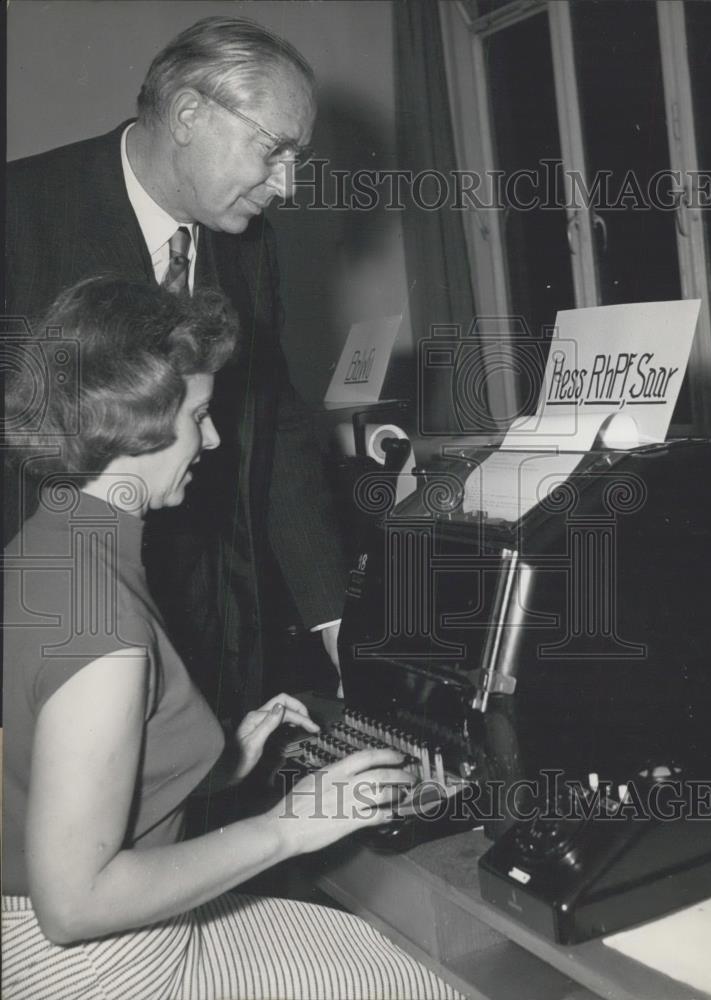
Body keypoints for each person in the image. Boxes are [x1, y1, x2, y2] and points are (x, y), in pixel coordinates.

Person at [2, 278, 461, 1000]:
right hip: (99, 969)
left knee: (364, 943)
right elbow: (76, 906)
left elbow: (50, 772)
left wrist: (221, 759)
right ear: (138, 422)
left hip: (28, 930)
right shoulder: (107, 633)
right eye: (199, 415)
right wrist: (292, 825)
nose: (212, 440)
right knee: (434, 980)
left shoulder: (52, 546)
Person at [5, 16, 346, 718]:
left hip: (211, 629)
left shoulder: (252, 249)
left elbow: (271, 426)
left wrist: (335, 617)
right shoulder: (20, 213)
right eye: (274, 149)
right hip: (56, 626)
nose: (287, 184)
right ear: (190, 113)